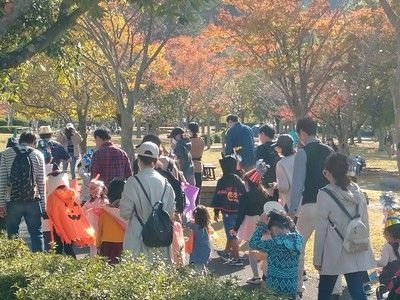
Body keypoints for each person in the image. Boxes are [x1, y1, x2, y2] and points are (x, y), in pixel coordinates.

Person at [313, 153, 375, 300]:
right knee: (357, 292)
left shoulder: (325, 194)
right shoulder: (357, 190)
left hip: (333, 250)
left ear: (328, 172)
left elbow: (320, 229)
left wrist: (317, 258)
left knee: (324, 292)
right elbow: (365, 222)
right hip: (355, 247)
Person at [289, 117, 334, 293]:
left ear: (302, 132)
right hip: (329, 206)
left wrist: (292, 210)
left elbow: (297, 185)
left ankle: (298, 285)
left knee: (299, 247)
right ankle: (334, 290)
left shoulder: (302, 152)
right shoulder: (329, 150)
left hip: (309, 205)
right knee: (329, 250)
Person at [119, 141, 175, 262]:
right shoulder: (166, 183)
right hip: (160, 238)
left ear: (139, 160)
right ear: (155, 161)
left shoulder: (132, 182)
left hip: (137, 238)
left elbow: (125, 213)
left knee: (138, 276)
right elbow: (171, 213)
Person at [0, 131, 46, 252]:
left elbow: (2, 179)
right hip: (33, 200)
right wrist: (43, 205)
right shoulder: (38, 154)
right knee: (36, 234)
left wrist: (1, 204)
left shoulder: (6, 153)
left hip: (13, 200)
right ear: (34, 142)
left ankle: (14, 261)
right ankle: (38, 263)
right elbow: (41, 182)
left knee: (12, 234)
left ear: (20, 140)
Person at [229, 164, 270, 284]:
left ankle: (256, 276)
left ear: (248, 183)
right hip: (263, 222)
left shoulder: (245, 197)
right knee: (264, 249)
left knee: (252, 249)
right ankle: (266, 275)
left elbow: (241, 214)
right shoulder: (264, 194)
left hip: (250, 222)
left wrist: (235, 228)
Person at [249, 210, 303, 298]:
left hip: (274, 289)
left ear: (274, 228)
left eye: (269, 231)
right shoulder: (298, 240)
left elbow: (253, 243)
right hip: (291, 288)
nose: (270, 234)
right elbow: (294, 229)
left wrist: (262, 226)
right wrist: (291, 224)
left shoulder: (274, 244)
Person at [211, 155, 246, 266]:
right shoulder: (239, 180)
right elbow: (244, 195)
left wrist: (216, 211)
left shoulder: (222, 181)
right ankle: (226, 252)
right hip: (239, 212)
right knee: (232, 232)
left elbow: (218, 197)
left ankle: (237, 259)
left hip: (228, 213)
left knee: (232, 235)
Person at [97, 179, 126, 264]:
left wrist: (98, 243)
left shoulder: (105, 209)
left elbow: (100, 228)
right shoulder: (125, 209)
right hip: (122, 242)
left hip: (106, 243)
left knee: (107, 270)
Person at [82, 178, 109, 257]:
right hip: (92, 227)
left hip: (100, 226)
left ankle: (99, 260)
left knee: (100, 245)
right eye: (90, 188)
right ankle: (93, 261)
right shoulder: (90, 201)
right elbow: (82, 211)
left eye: (93, 188)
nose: (91, 190)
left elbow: (107, 211)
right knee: (93, 245)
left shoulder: (104, 201)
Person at [184, 205, 213, 271]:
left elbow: (186, 224)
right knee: (201, 266)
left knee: (197, 269)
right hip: (205, 249)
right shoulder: (205, 225)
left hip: (197, 251)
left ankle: (200, 280)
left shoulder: (194, 225)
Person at [255, 124, 280, 201]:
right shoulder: (278, 147)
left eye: (259, 134)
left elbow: (258, 166)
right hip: (279, 179)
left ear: (263, 134)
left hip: (266, 180)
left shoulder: (260, 148)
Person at [271, 134, 296, 209]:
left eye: (277, 147)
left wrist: (276, 185)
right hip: (305, 200)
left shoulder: (281, 163)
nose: (276, 149)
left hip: (291, 201)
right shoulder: (299, 158)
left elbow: (284, 187)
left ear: (282, 148)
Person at [188, 122, 205, 205]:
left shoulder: (188, 141)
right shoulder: (201, 141)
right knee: (198, 190)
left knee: (189, 191)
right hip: (198, 166)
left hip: (189, 166)